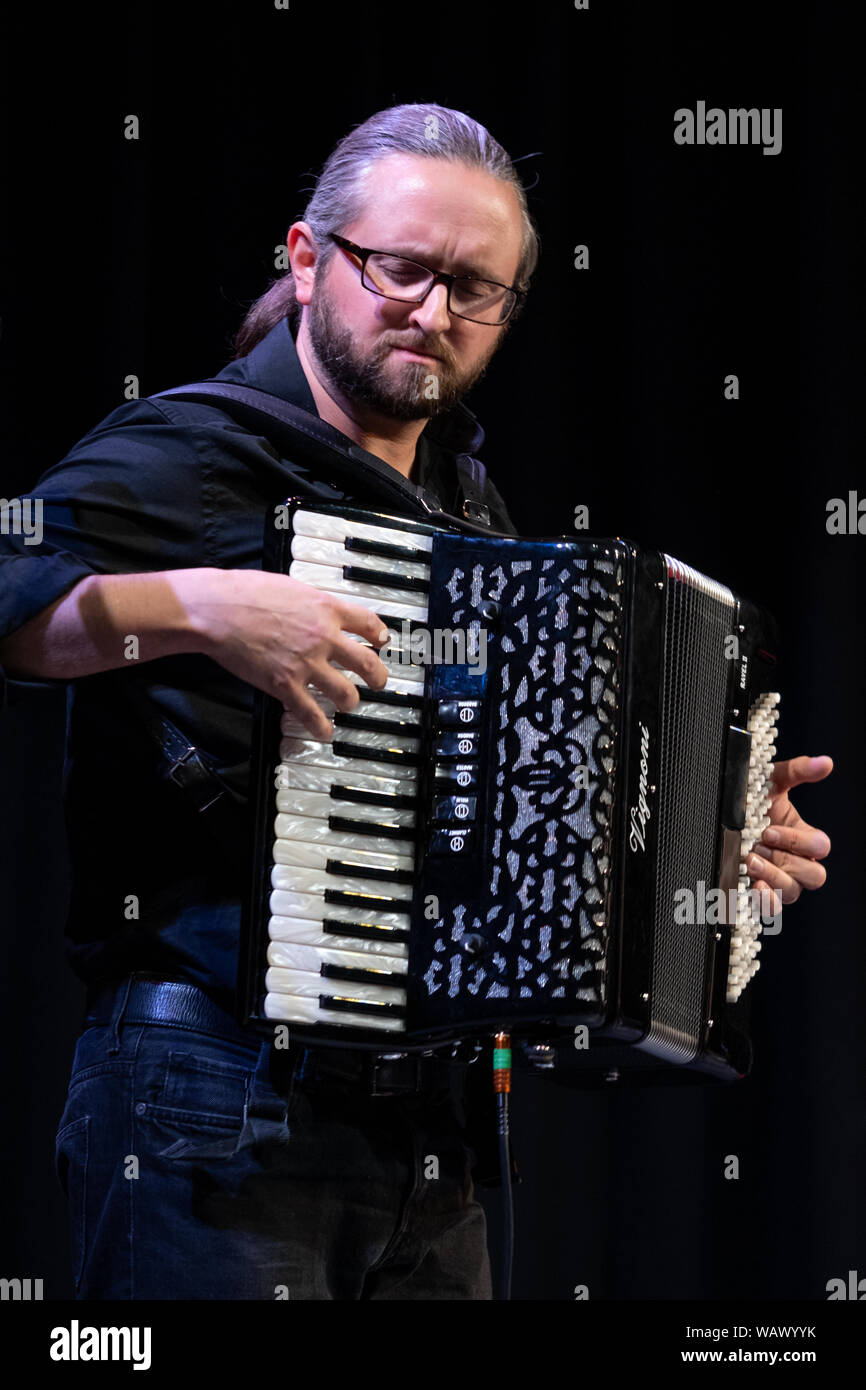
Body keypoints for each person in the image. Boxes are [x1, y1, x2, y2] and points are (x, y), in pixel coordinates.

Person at [0, 103, 832, 1301]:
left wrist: (706, 846)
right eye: (399, 269)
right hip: (211, 1096)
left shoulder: (468, 513)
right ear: (307, 259)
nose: (433, 313)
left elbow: (512, 837)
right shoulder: (190, 449)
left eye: (473, 288)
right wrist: (203, 607)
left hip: (431, 1136)